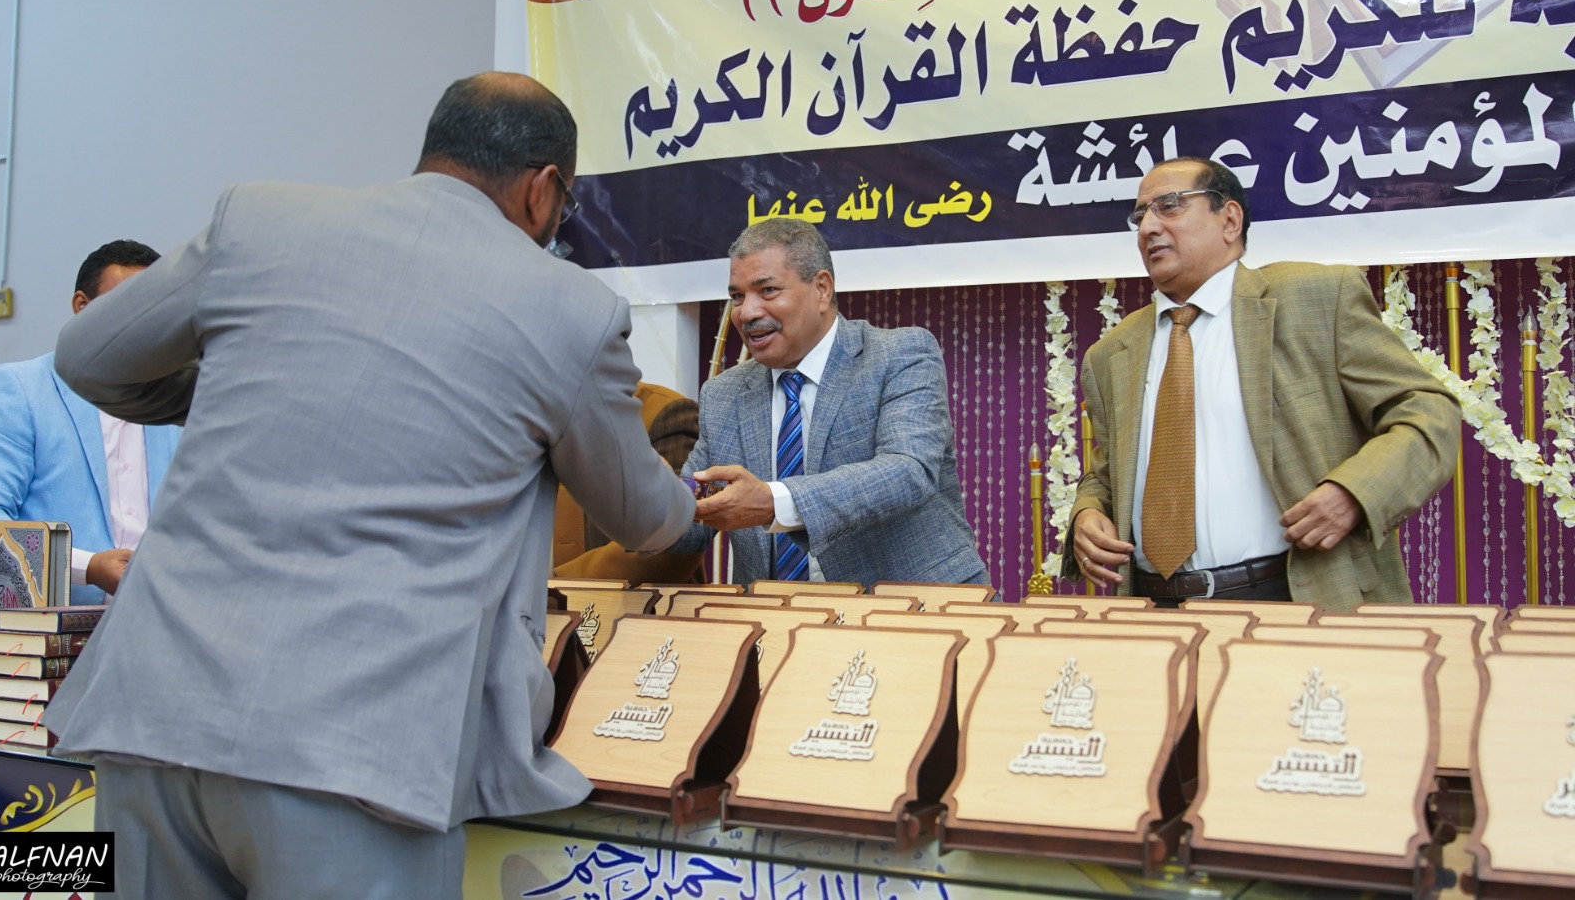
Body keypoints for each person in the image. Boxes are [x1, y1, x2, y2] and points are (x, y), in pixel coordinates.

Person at [43, 72, 695, 899]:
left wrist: (237, 386)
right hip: (357, 752)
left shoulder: (261, 218)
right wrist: (696, 506)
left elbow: (86, 357)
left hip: (154, 717)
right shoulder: (571, 306)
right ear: (543, 189)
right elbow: (642, 515)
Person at [1064, 157, 1459, 611]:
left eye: (1169, 206)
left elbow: (1428, 412)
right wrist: (1088, 512)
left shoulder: (1315, 297)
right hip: (1154, 611)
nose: (1148, 227)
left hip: (1296, 597)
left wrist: (1355, 492)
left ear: (1229, 220)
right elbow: (1107, 474)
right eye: (1140, 216)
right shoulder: (1112, 353)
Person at [670, 218, 989, 587]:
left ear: (821, 288)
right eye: (737, 297)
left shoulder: (900, 354)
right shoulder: (723, 394)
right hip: (776, 617)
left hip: (916, 608)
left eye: (767, 290)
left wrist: (774, 501)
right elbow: (690, 517)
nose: (747, 313)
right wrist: (643, 498)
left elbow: (907, 471)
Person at [0, 240, 181, 603]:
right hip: (53, 629)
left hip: (157, 621)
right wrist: (87, 567)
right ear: (82, 307)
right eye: (127, 305)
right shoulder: (19, 389)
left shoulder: (177, 401)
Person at [551, 380, 706, 583]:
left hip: (632, 602)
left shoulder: (665, 411)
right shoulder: (528, 413)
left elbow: (674, 542)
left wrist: (550, 586)